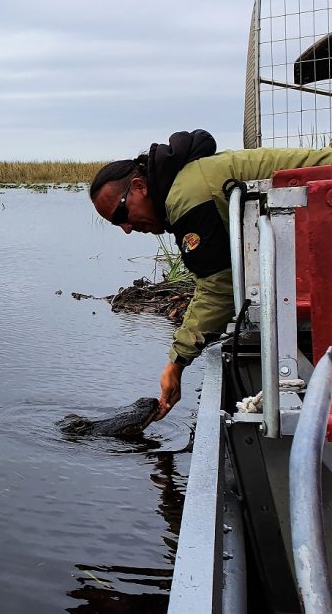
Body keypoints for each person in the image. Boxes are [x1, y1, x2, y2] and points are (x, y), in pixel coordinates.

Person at [89, 129, 332, 420]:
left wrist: (176, 363)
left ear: (139, 186)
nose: (126, 228)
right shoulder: (188, 181)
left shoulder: (188, 197)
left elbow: (218, 289)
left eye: (120, 216)